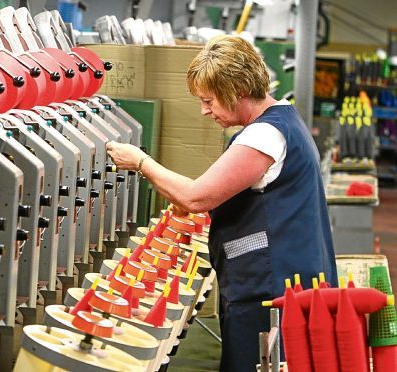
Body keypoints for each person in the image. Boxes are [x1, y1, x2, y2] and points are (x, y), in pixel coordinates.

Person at [106, 35, 337, 371]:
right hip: (281, 279)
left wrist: (141, 162)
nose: (204, 110)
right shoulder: (284, 120)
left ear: (238, 90)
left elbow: (197, 196)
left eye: (209, 100)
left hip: (271, 289)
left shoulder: (265, 135)